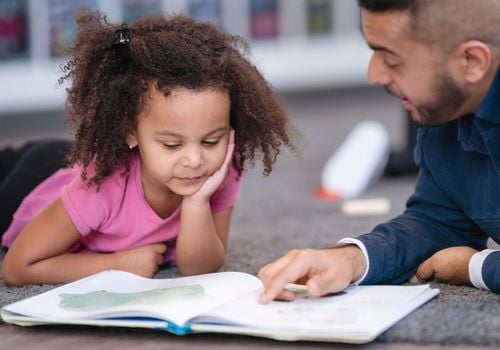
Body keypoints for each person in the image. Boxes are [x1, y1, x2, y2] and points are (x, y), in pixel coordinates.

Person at [1, 11, 295, 286]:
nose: (195, 159)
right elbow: (17, 267)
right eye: (172, 144)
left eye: (210, 141)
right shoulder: (99, 187)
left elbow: (200, 267)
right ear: (130, 133)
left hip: (80, 166)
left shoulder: (224, 165)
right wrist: (115, 264)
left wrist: (196, 203)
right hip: (32, 179)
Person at [259, 0, 500, 302]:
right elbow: (437, 221)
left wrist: (474, 267)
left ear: (472, 61)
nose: (373, 75)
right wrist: (351, 259)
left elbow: (464, 257)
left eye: (393, 60)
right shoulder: (443, 110)